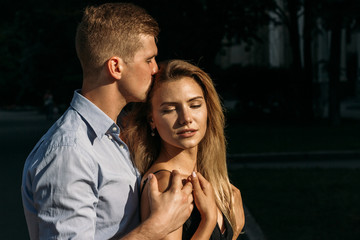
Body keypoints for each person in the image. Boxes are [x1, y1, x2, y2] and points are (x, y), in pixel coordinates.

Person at [21, 3, 194, 240]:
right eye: (149, 59)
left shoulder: (116, 134)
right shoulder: (70, 153)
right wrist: (156, 228)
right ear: (115, 67)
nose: (156, 69)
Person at [121, 59, 245, 240]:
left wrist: (234, 229)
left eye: (195, 105)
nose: (186, 118)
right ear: (152, 120)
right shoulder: (165, 184)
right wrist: (208, 221)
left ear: (208, 110)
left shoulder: (206, 178)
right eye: (170, 109)